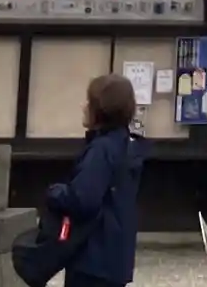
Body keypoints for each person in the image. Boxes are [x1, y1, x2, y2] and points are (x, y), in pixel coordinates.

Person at [47, 74, 149, 287]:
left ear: (101, 109)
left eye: (89, 101)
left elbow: (83, 199)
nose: (83, 106)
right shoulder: (126, 145)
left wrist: (56, 192)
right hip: (114, 257)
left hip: (93, 257)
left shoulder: (102, 149)